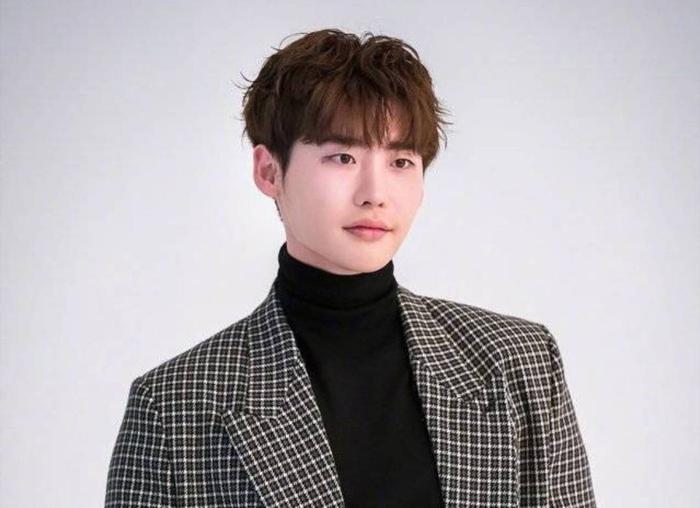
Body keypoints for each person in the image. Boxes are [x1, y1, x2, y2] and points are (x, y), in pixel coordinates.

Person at [105, 28, 596, 507]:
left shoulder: (518, 362)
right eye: (342, 157)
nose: (374, 194)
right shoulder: (175, 406)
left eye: (401, 162)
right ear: (269, 171)